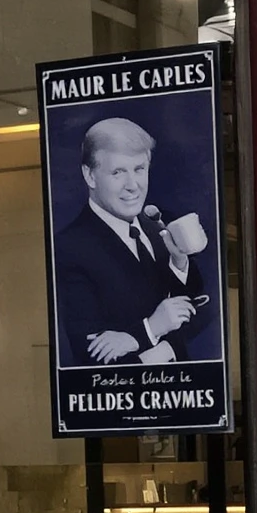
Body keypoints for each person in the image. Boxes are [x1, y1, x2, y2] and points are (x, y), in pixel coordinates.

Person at [56, 117, 202, 366]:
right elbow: (91, 355)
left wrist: (179, 261)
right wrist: (152, 330)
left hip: (183, 392)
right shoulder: (70, 247)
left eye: (139, 169)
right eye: (118, 172)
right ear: (90, 176)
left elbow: (202, 308)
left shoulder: (158, 224)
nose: (133, 186)